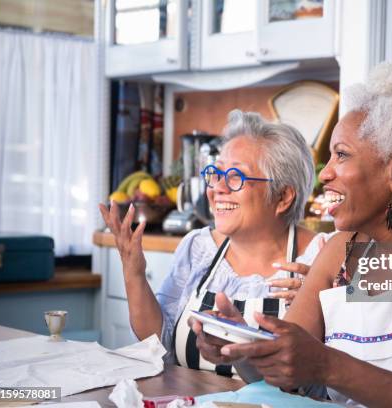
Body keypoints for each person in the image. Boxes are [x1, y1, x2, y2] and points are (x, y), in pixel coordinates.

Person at [193, 57, 392, 407]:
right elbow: (284, 376)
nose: (324, 174)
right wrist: (241, 347)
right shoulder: (338, 251)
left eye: (341, 155)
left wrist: (327, 366)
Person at [99, 109, 327, 374]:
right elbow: (159, 343)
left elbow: (330, 375)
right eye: (216, 174)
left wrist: (328, 305)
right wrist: (133, 271)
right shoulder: (197, 247)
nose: (217, 188)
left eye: (235, 177)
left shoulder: (322, 256)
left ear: (283, 197)